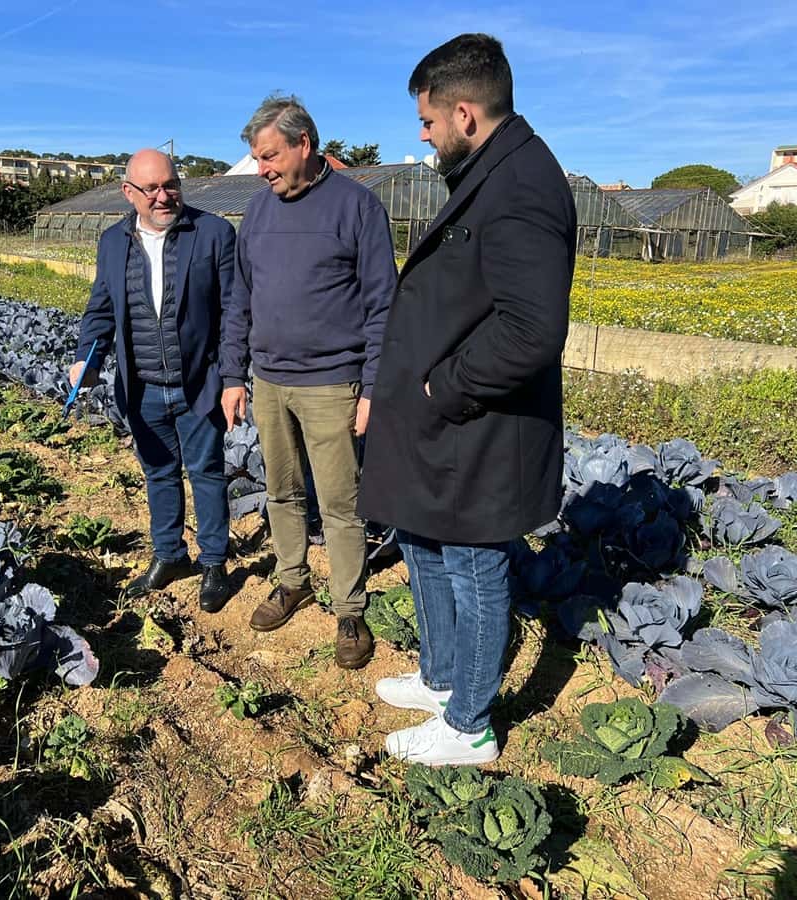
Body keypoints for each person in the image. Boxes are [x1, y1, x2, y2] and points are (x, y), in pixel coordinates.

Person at [359, 34, 577, 764]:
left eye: (426, 122)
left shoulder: (521, 187)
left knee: (475, 562)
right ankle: (444, 675)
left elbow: (532, 329)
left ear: (464, 113)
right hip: (442, 425)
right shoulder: (494, 171)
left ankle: (470, 724)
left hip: (480, 424)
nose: (422, 135)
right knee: (421, 538)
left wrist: (442, 385)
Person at [220, 94, 397, 670]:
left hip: (332, 384)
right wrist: (233, 374)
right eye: (256, 159)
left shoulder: (356, 207)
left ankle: (349, 608)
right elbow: (240, 298)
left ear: (304, 144)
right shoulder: (259, 210)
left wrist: (372, 386)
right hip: (270, 380)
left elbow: (382, 304)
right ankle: (291, 579)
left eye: (270, 156)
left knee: (342, 504)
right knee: (281, 491)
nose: (263, 168)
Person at [70, 149, 236, 613]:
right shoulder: (112, 242)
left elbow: (234, 312)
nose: (164, 196)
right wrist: (87, 358)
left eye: (170, 185)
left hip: (198, 382)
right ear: (129, 193)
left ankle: (215, 563)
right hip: (141, 386)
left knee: (206, 472)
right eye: (152, 189)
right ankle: (169, 555)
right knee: (158, 472)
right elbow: (100, 309)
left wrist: (232, 376)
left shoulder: (213, 234)